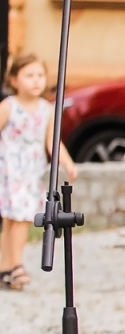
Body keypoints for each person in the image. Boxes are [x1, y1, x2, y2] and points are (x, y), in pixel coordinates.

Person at [1, 54, 76, 291]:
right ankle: (16, 266)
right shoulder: (8, 107)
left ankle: (6, 267)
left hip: (31, 172)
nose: (36, 81)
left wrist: (67, 162)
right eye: (29, 75)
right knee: (18, 218)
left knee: (17, 218)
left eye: (40, 75)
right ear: (14, 80)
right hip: (9, 170)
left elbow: (52, 141)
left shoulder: (46, 109)